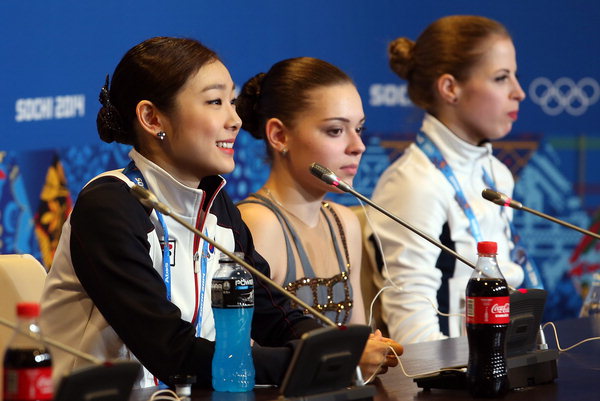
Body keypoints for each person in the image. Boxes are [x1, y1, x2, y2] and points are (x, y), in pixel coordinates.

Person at [39, 37, 388, 389]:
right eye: (215, 102)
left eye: (232, 102)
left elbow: (269, 309)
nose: (234, 120)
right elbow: (172, 352)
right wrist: (307, 362)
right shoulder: (108, 206)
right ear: (152, 117)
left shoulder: (215, 202)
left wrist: (339, 348)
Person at [235, 57, 402, 370]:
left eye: (359, 129)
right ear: (279, 136)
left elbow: (357, 338)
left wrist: (370, 352)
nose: (358, 146)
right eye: (336, 130)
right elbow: (239, 358)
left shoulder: (344, 222)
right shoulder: (257, 224)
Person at [370, 15, 526, 344]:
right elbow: (413, 335)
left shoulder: (497, 174)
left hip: (503, 356)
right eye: (501, 78)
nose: (519, 92)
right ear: (450, 88)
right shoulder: (413, 184)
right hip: (453, 372)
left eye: (515, 76)